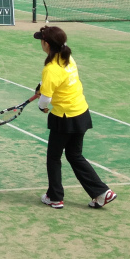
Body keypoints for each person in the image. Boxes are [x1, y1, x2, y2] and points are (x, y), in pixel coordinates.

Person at [34, 25, 115, 210]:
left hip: (64, 118)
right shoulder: (68, 57)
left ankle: (55, 197)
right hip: (81, 113)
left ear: (47, 44)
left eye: (41, 40)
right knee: (74, 155)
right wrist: (42, 86)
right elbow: (55, 82)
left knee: (54, 157)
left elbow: (45, 99)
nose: (41, 43)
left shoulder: (51, 69)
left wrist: (42, 107)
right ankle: (102, 193)